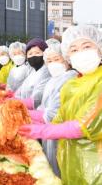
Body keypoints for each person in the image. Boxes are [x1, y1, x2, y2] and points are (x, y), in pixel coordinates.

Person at [19, 25, 102, 184]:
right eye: (74, 50)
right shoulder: (73, 85)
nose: (81, 53)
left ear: (99, 49)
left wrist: (43, 130)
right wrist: (27, 121)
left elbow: (86, 124)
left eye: (86, 46)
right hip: (72, 161)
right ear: (68, 55)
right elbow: (58, 118)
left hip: (96, 163)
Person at [29, 40, 77, 176]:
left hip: (61, 136)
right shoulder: (53, 80)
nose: (52, 64)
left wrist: (25, 112)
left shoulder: (70, 78)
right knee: (51, 170)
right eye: (49, 61)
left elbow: (52, 114)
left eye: (57, 59)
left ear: (67, 60)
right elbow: (44, 108)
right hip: (49, 134)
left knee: (59, 171)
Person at [15, 38, 51, 109]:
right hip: (25, 110)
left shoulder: (47, 72)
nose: (33, 56)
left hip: (38, 113)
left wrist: (18, 104)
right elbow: (20, 91)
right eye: (30, 54)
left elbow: (37, 98)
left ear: (45, 54)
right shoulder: (33, 72)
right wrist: (11, 99)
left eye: (37, 53)